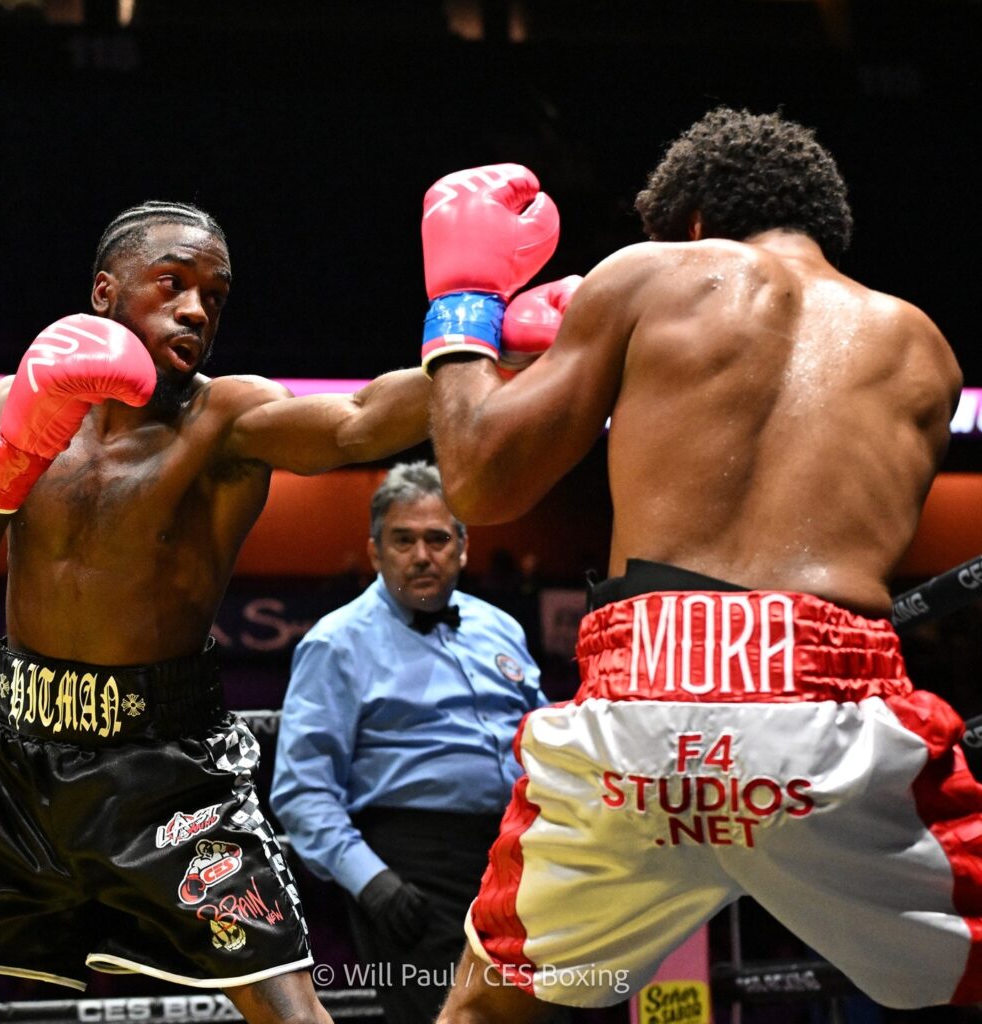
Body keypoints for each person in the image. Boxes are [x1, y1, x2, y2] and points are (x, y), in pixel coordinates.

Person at [416, 111, 979, 1020]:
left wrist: (465, 304)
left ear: (690, 224)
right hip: (833, 700)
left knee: (488, 1010)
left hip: (643, 705)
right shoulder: (925, 349)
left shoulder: (651, 277)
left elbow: (479, 478)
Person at [0, 199, 438, 1024]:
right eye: (172, 284)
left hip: (167, 776)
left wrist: (475, 335)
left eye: (214, 296)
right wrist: (11, 457)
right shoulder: (11, 404)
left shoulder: (227, 420)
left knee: (289, 1010)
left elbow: (361, 425)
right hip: (12, 757)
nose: (195, 310)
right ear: (105, 294)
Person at [270, 461, 549, 1024]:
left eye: (438, 538)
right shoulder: (337, 643)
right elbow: (302, 793)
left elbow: (545, 743)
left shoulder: (502, 627)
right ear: (375, 552)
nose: (422, 555)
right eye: (404, 540)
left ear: (464, 547)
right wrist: (373, 884)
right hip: (413, 869)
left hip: (520, 858)